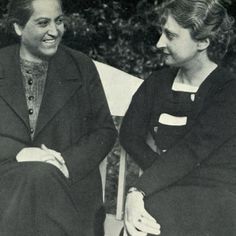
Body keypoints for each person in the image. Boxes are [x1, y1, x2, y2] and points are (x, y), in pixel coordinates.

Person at [0, 0, 117, 235]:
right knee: (35, 176)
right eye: (43, 23)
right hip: (6, 187)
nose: (54, 31)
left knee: (41, 177)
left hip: (67, 190)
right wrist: (18, 152)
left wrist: (65, 162)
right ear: (18, 28)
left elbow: (105, 131)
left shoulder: (80, 67)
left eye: (59, 21)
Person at [120, 0, 236, 235]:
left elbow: (192, 149)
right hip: (168, 188)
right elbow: (129, 135)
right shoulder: (157, 83)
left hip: (219, 198)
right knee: (141, 225)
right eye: (162, 33)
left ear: (203, 41)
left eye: (170, 36)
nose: (159, 43)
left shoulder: (227, 89)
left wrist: (138, 191)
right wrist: (160, 175)